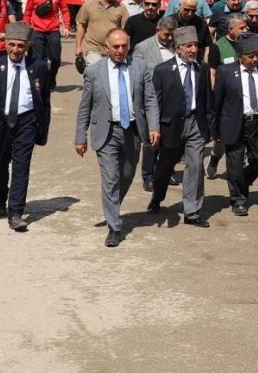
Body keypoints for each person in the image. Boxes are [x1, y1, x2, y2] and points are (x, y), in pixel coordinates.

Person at [74, 29, 160, 248]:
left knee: (128, 174)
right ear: (106, 48)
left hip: (133, 130)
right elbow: (85, 107)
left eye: (124, 46)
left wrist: (154, 127)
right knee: (111, 178)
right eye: (116, 46)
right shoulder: (94, 72)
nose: (120, 50)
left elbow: (150, 99)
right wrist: (80, 136)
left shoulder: (139, 67)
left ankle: (111, 204)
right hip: (106, 131)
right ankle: (115, 226)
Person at [0, 22, 52, 232]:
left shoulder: (39, 68)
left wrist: (42, 128)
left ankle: (15, 212)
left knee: (21, 167)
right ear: (5, 44)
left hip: (26, 122)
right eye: (12, 45)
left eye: (20, 46)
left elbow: (44, 101)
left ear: (28, 46)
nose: (16, 50)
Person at [146, 26, 212, 227]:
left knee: (196, 166)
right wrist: (154, 127)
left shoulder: (203, 68)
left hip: (195, 124)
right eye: (188, 46)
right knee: (165, 168)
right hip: (171, 127)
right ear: (178, 48)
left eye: (196, 46)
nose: (193, 50)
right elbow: (154, 102)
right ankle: (157, 197)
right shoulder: (163, 70)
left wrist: (209, 128)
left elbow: (208, 99)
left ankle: (191, 211)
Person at [210, 34, 258, 217]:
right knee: (235, 163)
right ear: (240, 56)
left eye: (257, 55)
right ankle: (238, 199)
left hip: (257, 124)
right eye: (250, 56)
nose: (255, 60)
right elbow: (217, 103)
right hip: (234, 123)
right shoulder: (226, 72)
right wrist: (215, 129)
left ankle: (241, 182)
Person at [134, 16, 179, 192]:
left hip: (173, 99)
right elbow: (137, 76)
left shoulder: (177, 45)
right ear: (158, 30)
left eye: (171, 35)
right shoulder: (143, 48)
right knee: (151, 139)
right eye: (166, 35)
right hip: (152, 99)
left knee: (171, 139)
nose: (169, 38)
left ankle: (167, 171)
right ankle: (148, 176)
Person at [23, 0, 70, 89]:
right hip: (37, 30)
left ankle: (52, 77)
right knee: (39, 59)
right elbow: (28, 11)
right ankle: (42, 82)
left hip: (53, 30)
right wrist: (25, 29)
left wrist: (66, 26)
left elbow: (65, 10)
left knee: (55, 58)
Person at [75, 0, 129, 66]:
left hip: (113, 50)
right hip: (93, 49)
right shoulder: (88, 5)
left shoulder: (121, 7)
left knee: (110, 77)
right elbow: (81, 27)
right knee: (96, 75)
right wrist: (78, 47)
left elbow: (124, 29)